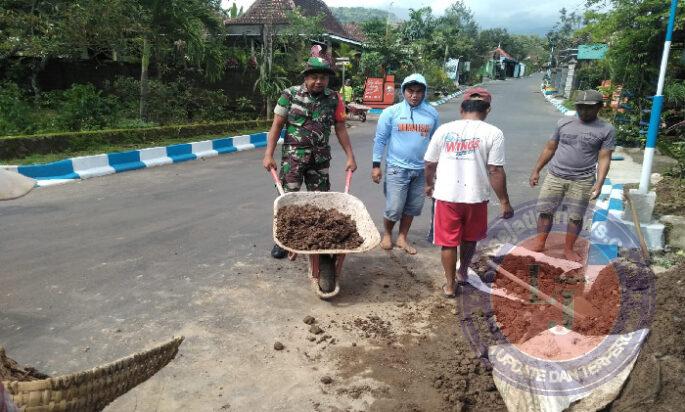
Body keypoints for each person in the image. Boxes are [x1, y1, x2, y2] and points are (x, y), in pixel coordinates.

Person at [263, 57, 357, 259]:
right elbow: (277, 125)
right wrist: (268, 154)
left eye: (323, 77)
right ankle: (283, 239)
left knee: (321, 200)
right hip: (293, 159)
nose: (319, 81)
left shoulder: (334, 98)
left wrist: (350, 156)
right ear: (306, 77)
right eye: (314, 76)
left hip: (320, 160)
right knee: (288, 198)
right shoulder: (289, 94)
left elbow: (340, 128)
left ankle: (319, 239)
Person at [424, 87, 514, 297]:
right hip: (476, 197)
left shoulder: (444, 130)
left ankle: (449, 285)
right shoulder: (493, 133)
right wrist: (504, 201)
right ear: (488, 110)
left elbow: (429, 164)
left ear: (461, 108)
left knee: (448, 242)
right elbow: (495, 170)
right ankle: (463, 272)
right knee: (469, 238)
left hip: (447, 196)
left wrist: (428, 185)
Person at [529, 89, 615, 262]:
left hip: (582, 180)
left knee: (575, 216)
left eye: (588, 108)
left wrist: (599, 183)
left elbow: (604, 157)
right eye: (580, 107)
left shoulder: (606, 129)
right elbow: (550, 148)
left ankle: (568, 249)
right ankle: (540, 243)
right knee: (545, 211)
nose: (583, 111)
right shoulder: (563, 123)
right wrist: (536, 170)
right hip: (555, 175)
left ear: (599, 107)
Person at [371, 74, 440, 254]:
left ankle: (402, 237)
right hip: (397, 168)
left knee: (413, 207)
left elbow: (436, 142)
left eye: (419, 92)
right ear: (403, 92)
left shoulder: (432, 113)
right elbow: (380, 140)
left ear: (424, 93)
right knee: (394, 207)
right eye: (410, 91)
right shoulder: (391, 112)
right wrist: (376, 165)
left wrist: (436, 169)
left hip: (421, 170)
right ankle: (387, 234)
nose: (414, 95)